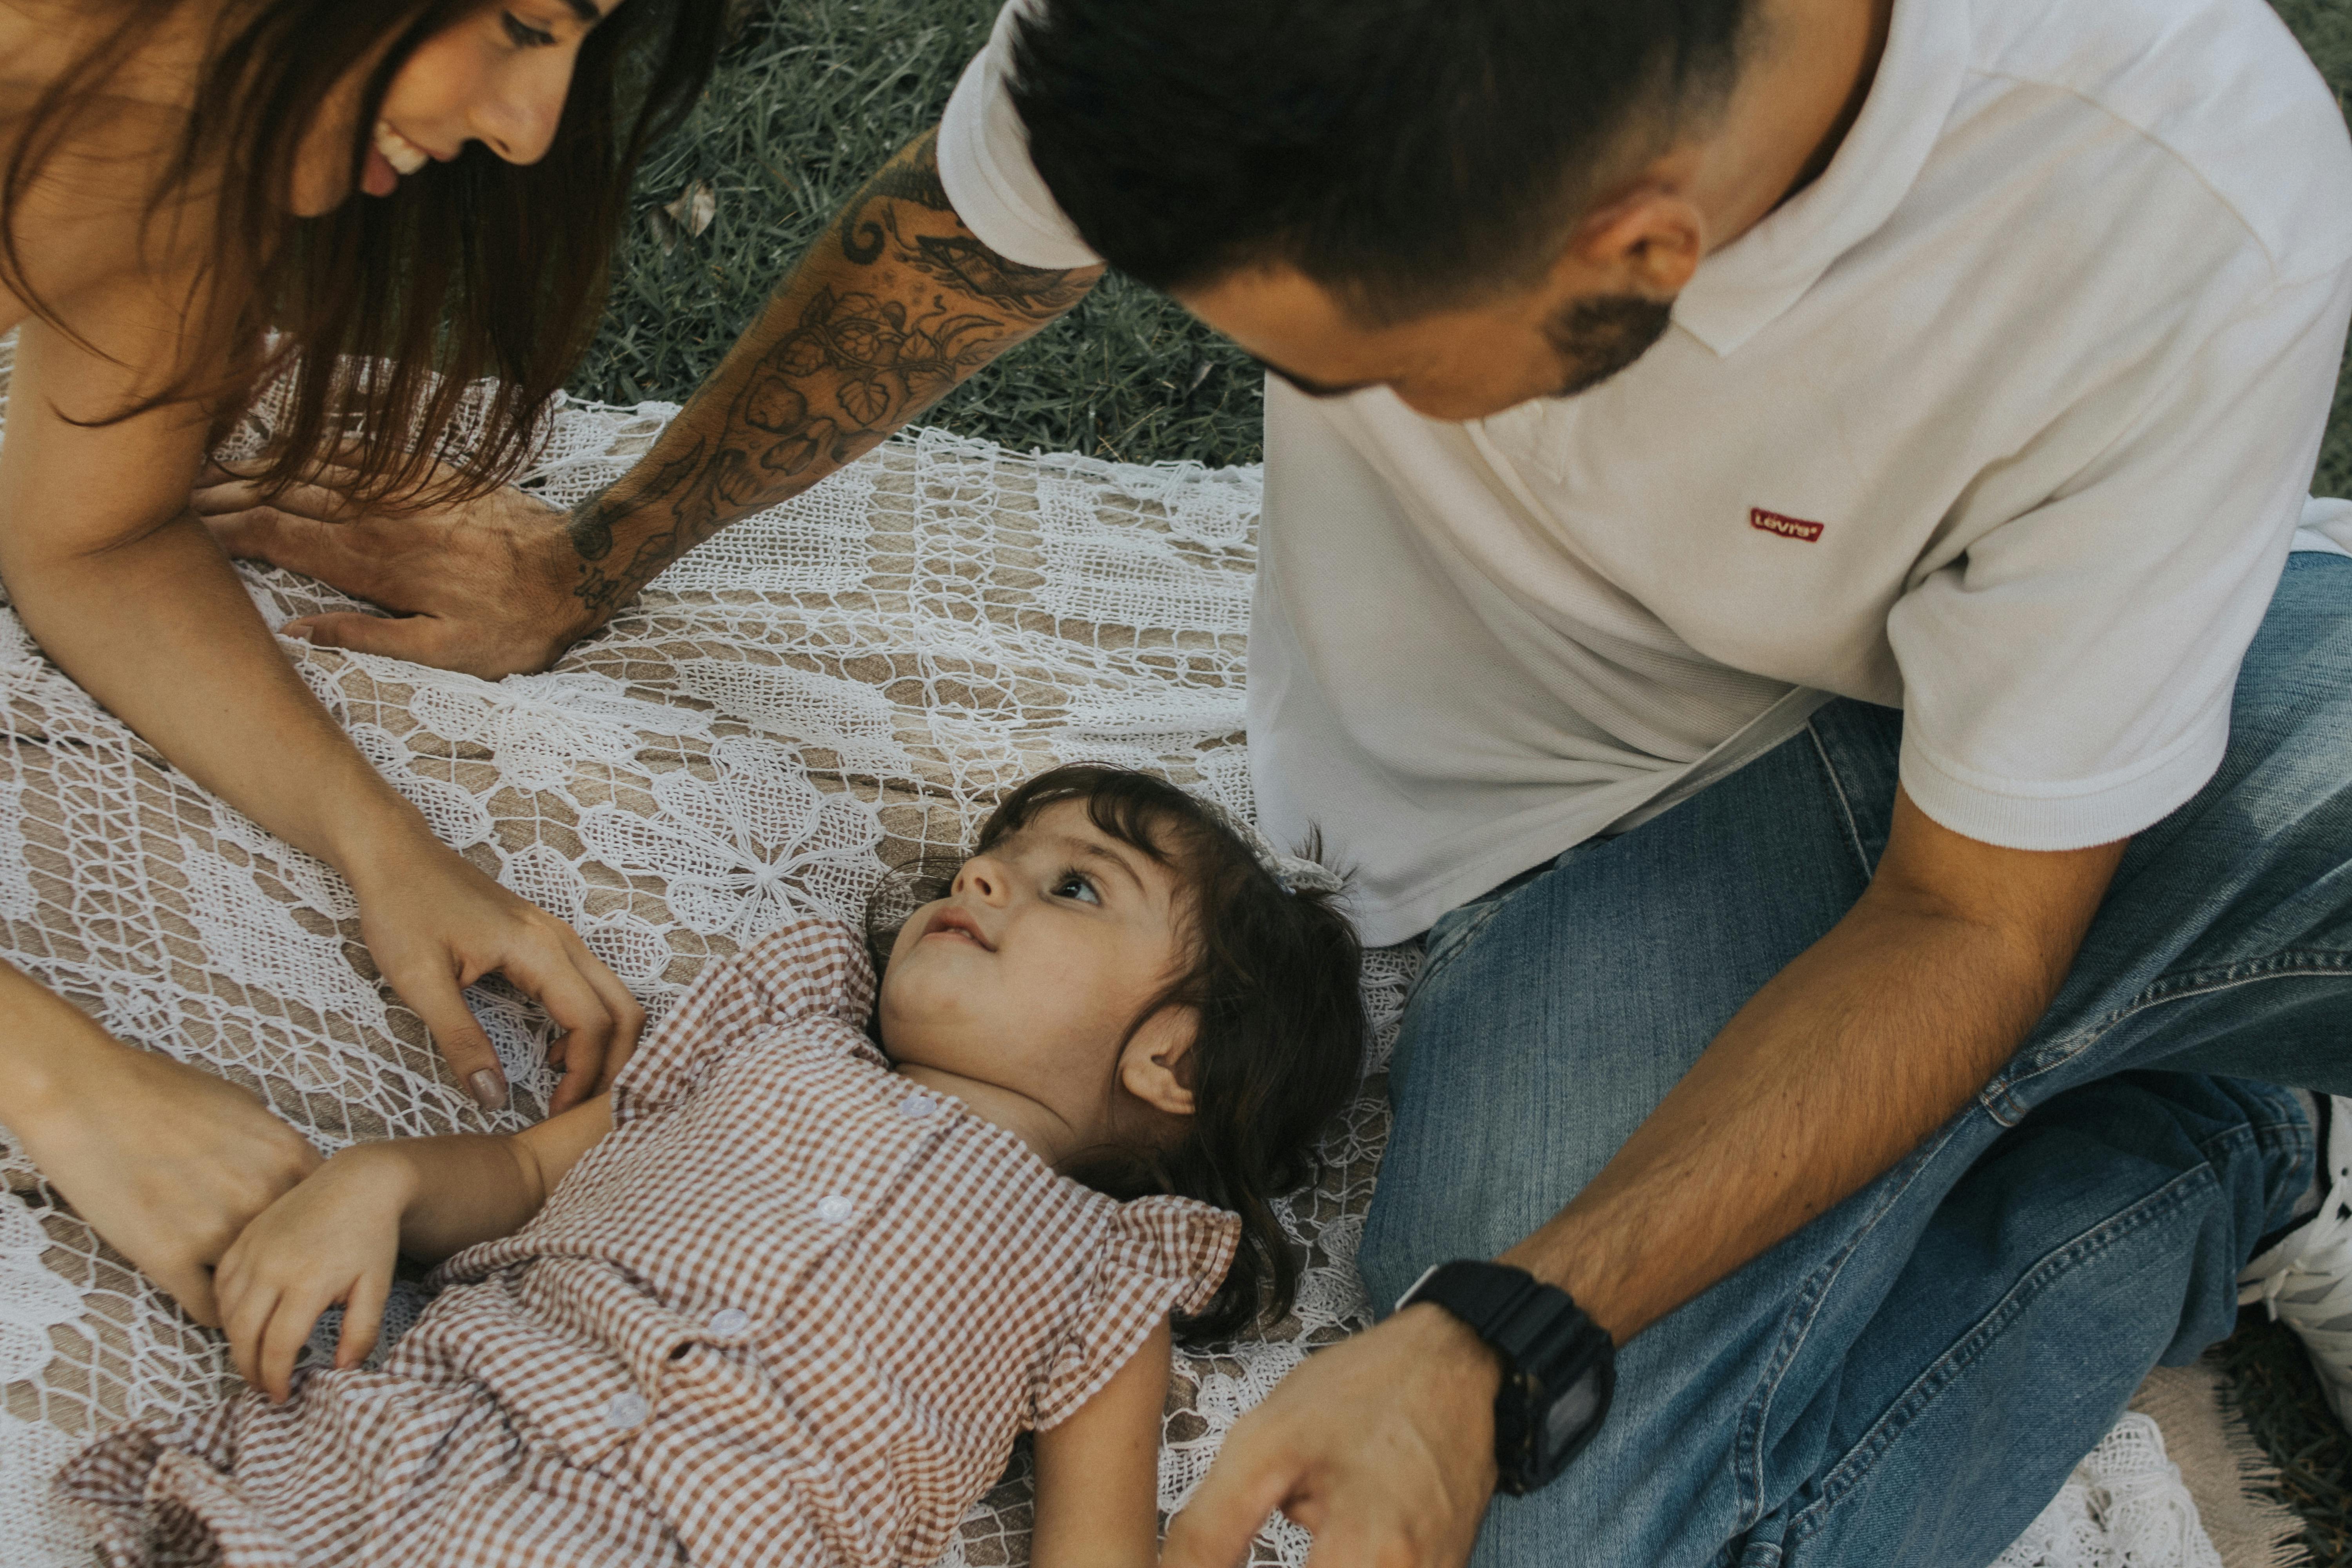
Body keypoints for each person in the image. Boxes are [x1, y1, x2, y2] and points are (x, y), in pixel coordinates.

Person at [207, 0, 2352, 1563]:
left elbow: (1972, 913)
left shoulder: (2172, 200)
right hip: (1582, 829)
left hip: (2033, 804)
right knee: (1541, 1527)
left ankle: (2140, 932)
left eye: (1348, 371)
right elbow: (977, 238)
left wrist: (1501, 1319)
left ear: (1639, 256)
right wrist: (596, 554)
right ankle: (2217, 1150)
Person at [51, 764, 1367, 1568]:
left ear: (1176, 1058)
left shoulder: (1104, 1277)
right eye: (994, 856)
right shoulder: (776, 1039)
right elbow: (529, 1177)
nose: (980, 875)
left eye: (1076, 886)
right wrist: (378, 1184)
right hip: (444, 1448)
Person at [0, 0, 720, 1336]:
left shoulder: (179, 149)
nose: (530, 129)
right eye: (524, 23)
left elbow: (92, 541)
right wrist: (57, 1081)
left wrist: (382, 845)